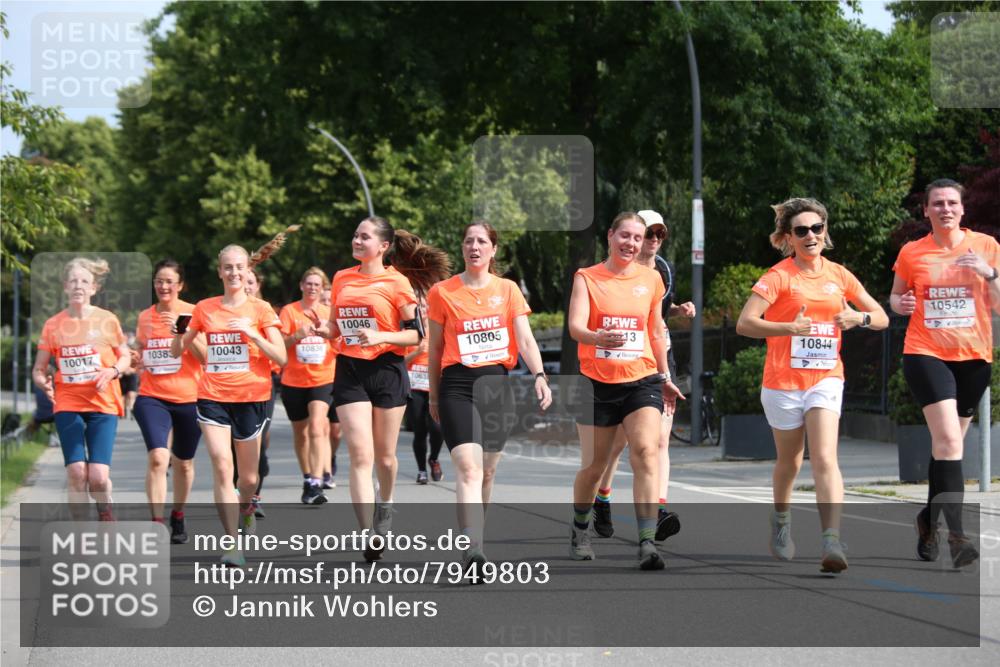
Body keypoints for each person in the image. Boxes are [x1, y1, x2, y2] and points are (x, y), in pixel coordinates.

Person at [736, 197, 888, 574]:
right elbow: (745, 323)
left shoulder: (839, 275)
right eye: (801, 230)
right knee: (790, 461)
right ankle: (782, 520)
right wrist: (788, 327)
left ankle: (831, 540)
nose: (810, 236)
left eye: (816, 228)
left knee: (824, 457)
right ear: (788, 237)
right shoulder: (778, 277)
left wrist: (859, 317)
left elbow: (883, 317)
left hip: (825, 377)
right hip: (783, 381)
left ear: (825, 231)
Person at [427, 221, 552, 572]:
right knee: (468, 468)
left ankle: (475, 538)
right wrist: (435, 397)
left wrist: (540, 376)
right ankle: (473, 549)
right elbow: (435, 349)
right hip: (457, 386)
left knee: (487, 472)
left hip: (497, 386)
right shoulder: (443, 292)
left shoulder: (508, 289)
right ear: (462, 249)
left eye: (482, 241)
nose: (474, 246)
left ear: (493, 250)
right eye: (468, 241)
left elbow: (525, 340)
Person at [328, 217, 450, 562]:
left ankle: (387, 503)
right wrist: (325, 329)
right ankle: (367, 532)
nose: (356, 240)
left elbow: (416, 335)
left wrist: (382, 335)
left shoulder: (397, 283)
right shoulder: (341, 278)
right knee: (360, 456)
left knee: (384, 456)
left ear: (382, 246)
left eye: (364, 237)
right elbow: (337, 326)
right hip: (350, 369)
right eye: (354, 235)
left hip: (386, 370)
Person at [892, 178, 999, 569]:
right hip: (925, 352)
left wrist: (990, 274)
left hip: (973, 358)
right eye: (937, 203)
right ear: (926, 211)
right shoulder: (912, 252)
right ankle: (957, 536)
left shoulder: (986, 246)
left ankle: (927, 520)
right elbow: (896, 294)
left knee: (946, 450)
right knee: (951, 442)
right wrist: (899, 304)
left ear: (962, 209)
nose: (945, 209)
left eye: (952, 202)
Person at [567, 212, 684, 570]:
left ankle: (647, 542)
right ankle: (580, 528)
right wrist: (595, 336)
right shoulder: (587, 277)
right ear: (610, 235)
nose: (631, 243)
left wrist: (664, 376)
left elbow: (655, 331)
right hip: (597, 382)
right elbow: (575, 326)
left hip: (642, 378)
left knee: (647, 451)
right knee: (594, 466)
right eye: (625, 236)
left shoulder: (651, 280)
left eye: (638, 237)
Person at [172, 242, 286, 566]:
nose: (234, 273)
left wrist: (254, 335)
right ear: (219, 271)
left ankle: (247, 506)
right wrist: (179, 334)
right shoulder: (205, 309)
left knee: (247, 480)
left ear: (248, 270)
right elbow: (178, 351)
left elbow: (281, 357)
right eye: (228, 267)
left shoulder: (262, 310)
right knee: (222, 466)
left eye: (240, 267)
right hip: (212, 396)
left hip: (251, 397)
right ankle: (232, 544)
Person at [591, 209, 696, 541]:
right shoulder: (615, 271)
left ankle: (658, 508)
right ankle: (602, 496)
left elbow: (655, 312)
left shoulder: (663, 270)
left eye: (658, 235)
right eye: (647, 233)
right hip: (620, 363)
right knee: (618, 443)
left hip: (658, 358)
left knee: (659, 440)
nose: (652, 241)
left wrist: (677, 310)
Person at [33, 257, 131, 520]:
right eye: (73, 281)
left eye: (84, 281)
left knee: (98, 478)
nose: (79, 285)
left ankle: (104, 508)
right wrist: (42, 381)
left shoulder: (107, 320)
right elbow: (39, 368)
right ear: (65, 286)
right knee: (77, 472)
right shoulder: (53, 325)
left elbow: (126, 357)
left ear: (93, 288)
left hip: (103, 404)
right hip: (68, 403)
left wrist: (113, 371)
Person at [132, 259, 204, 543]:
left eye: (169, 282)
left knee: (184, 463)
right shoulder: (144, 317)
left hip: (189, 396)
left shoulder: (194, 312)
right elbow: (143, 350)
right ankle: (157, 521)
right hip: (152, 396)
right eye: (159, 281)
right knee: (158, 457)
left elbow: (205, 356)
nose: (163, 286)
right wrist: (137, 358)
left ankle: (178, 513)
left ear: (180, 285)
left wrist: (181, 330)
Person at [279, 267, 337, 504]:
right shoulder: (289, 311)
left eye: (317, 285)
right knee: (301, 434)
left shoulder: (329, 312)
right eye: (309, 284)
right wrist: (296, 336)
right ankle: (307, 478)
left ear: (323, 288)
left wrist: (327, 334)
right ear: (302, 285)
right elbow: (278, 346)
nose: (313, 288)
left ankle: (316, 480)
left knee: (316, 427)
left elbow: (340, 342)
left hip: (323, 378)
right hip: (293, 380)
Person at [405, 296, 444, 484]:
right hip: (414, 387)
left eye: (423, 304)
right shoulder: (407, 331)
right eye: (417, 305)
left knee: (437, 429)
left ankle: (434, 458)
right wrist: (416, 352)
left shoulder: (438, 329)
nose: (420, 308)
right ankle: (421, 470)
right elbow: (399, 363)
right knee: (419, 431)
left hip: (434, 385)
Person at [321, 286, 343, 481]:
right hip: (321, 381)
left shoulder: (340, 323)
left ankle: (331, 456)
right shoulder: (320, 321)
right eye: (324, 300)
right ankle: (324, 471)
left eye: (330, 300)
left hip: (341, 378)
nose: (327, 303)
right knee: (321, 427)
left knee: (335, 432)